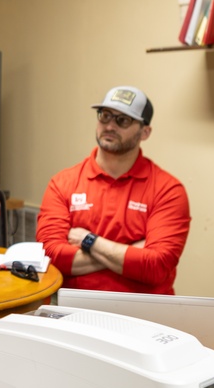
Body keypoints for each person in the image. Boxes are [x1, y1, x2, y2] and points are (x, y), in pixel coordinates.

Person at [36, 86, 191, 295]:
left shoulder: (168, 190)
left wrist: (89, 241)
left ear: (145, 132)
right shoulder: (62, 183)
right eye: (105, 116)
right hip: (77, 308)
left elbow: (156, 266)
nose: (110, 126)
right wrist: (132, 250)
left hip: (146, 313)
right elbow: (51, 256)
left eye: (123, 120)